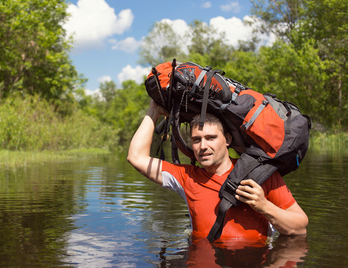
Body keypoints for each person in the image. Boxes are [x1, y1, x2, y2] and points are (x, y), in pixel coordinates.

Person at [127, 100, 308, 240]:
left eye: (210, 138)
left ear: (227, 139)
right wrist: (154, 110)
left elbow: (300, 228)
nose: (203, 146)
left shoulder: (260, 173)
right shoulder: (186, 177)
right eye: (196, 140)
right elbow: (136, 157)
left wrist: (263, 205)